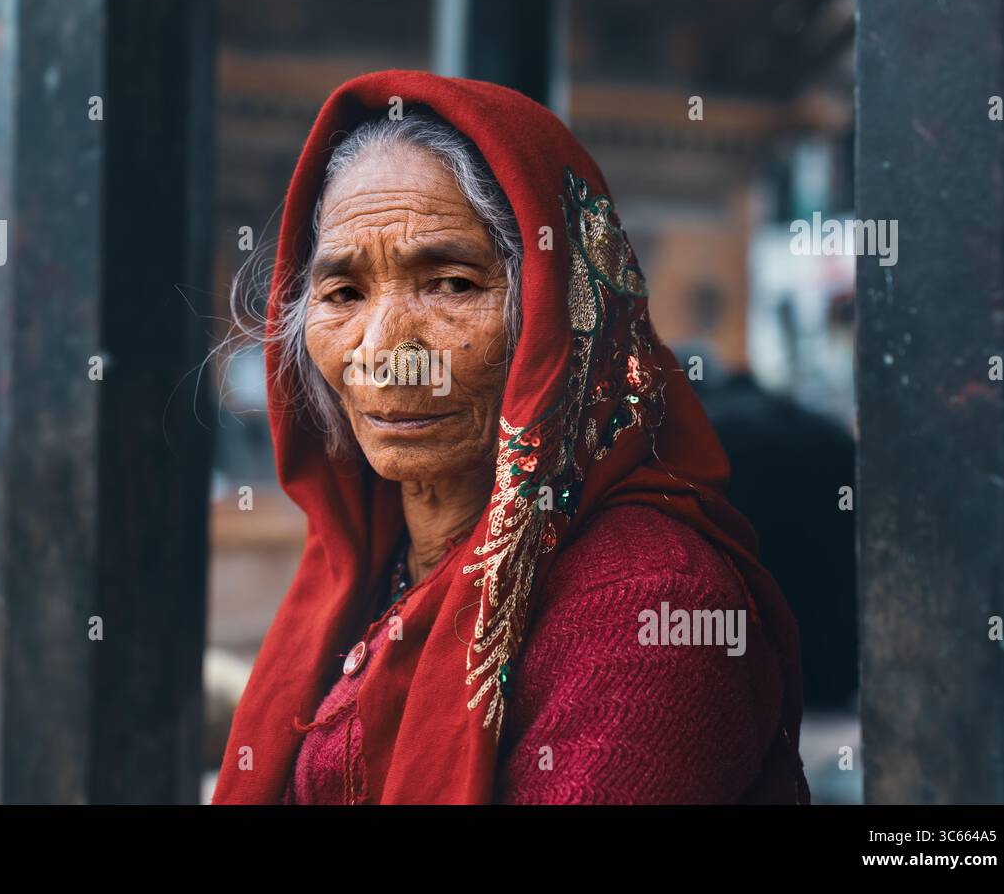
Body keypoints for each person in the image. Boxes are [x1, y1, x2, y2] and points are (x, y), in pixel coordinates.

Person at [212, 71, 810, 804]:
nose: (385, 350)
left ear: (563, 314)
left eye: (452, 284)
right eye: (343, 294)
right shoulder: (367, 569)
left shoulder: (652, 608)